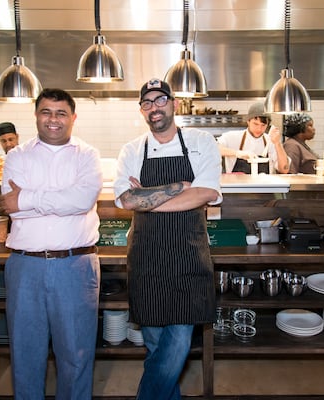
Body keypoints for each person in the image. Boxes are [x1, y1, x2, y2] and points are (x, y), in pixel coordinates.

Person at [114, 78, 222, 400]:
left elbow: (208, 193)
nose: (154, 108)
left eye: (160, 100)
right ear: (142, 111)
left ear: (174, 103)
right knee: (155, 346)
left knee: (177, 342)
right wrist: (181, 187)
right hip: (147, 257)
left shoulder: (202, 141)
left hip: (188, 255)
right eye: (146, 103)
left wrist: (149, 199)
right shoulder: (132, 149)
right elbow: (126, 200)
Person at [0, 88, 104, 399]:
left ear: (73, 118)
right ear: (36, 116)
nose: (53, 119)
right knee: (25, 354)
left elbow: (82, 199)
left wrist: (28, 198)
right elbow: (10, 204)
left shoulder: (88, 155)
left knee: (76, 354)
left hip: (76, 264)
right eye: (46, 112)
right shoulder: (16, 156)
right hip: (24, 265)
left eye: (61, 113)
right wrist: (60, 200)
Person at [217, 102, 290, 174]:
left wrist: (278, 144)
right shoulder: (233, 137)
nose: (259, 129)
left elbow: (284, 169)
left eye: (263, 125)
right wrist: (238, 153)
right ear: (248, 121)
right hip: (237, 185)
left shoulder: (271, 141)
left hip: (263, 185)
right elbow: (213, 148)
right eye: (255, 124)